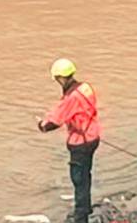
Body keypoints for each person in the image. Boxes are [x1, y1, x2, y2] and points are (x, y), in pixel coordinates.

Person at [36, 58, 101, 223]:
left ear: (61, 78)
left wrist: (41, 125)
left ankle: (81, 217)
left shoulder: (71, 97)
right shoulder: (85, 87)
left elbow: (54, 121)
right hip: (93, 137)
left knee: (78, 179)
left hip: (81, 143)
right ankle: (85, 208)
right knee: (86, 174)